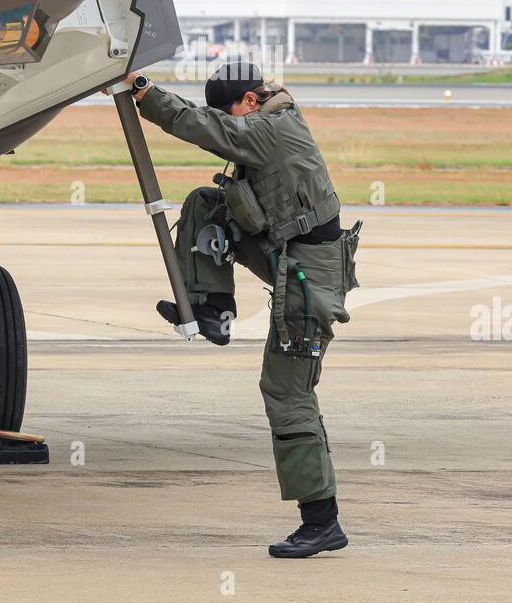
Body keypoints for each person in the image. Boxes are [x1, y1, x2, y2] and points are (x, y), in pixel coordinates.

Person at [126, 59, 360, 559]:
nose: (231, 122)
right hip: (286, 252)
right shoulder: (270, 119)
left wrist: (143, 91)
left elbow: (200, 126)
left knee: (287, 389)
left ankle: (321, 521)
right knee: (207, 202)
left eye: (231, 112)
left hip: (308, 277)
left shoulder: (270, 129)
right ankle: (213, 308)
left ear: (250, 101)